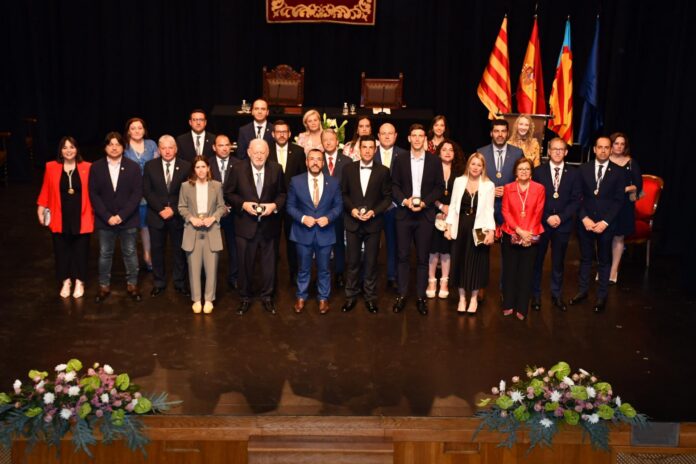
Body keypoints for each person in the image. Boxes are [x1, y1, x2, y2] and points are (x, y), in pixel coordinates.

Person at [224, 139, 286, 315]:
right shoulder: (237, 169)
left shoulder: (276, 169)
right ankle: (245, 298)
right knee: (244, 265)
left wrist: (274, 206)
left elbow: (283, 193)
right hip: (245, 226)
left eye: (262, 152)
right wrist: (243, 204)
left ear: (268, 153)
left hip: (269, 226)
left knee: (269, 265)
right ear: (249, 152)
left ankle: (267, 297)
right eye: (256, 152)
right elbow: (228, 193)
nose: (259, 156)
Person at [391, 124, 445, 315]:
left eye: (420, 135)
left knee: (423, 258)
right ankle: (402, 295)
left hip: (425, 215)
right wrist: (405, 201)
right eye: (413, 135)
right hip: (404, 215)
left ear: (425, 139)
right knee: (402, 256)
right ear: (408, 138)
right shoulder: (400, 159)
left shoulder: (434, 161)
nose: (417, 139)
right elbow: (394, 186)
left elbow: (439, 187)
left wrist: (425, 202)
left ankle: (421, 297)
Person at [569, 136, 626, 313]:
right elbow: (576, 196)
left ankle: (602, 296)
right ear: (594, 149)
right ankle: (582, 291)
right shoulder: (583, 169)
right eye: (599, 147)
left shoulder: (619, 172)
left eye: (606, 147)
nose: (603, 150)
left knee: (604, 260)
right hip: (585, 222)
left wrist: (605, 222)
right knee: (585, 258)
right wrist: (584, 218)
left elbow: (619, 201)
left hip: (605, 224)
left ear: (610, 150)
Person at [36, 136, 94, 299]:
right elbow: (46, 189)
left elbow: (95, 192)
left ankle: (80, 281)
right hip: (59, 215)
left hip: (81, 215)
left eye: (72, 147)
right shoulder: (51, 167)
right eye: (65, 147)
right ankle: (66, 281)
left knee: (81, 250)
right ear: (60, 151)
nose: (69, 150)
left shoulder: (88, 167)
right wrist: (41, 208)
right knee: (61, 250)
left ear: (77, 149)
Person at [89, 132, 143, 303]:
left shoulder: (133, 167)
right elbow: (93, 194)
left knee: (130, 252)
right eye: (110, 144)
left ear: (123, 147)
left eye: (117, 144)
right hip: (105, 220)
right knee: (105, 253)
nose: (114, 148)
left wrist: (121, 215)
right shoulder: (96, 167)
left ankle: (132, 285)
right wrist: (107, 216)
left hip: (128, 219)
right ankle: (103, 286)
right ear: (105, 147)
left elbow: (137, 194)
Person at [287, 149, 343, 314]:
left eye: (319, 159)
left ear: (323, 163)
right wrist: (303, 218)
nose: (315, 162)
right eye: (312, 159)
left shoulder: (333, 182)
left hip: (325, 232)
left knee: (324, 268)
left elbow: (338, 206)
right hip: (302, 232)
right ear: (306, 162)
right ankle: (301, 296)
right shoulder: (296, 181)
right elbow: (290, 206)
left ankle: (323, 298)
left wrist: (329, 218)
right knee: (303, 268)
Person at [340, 136, 392, 314]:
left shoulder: (383, 171)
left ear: (375, 150)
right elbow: (343, 193)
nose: (368, 150)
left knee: (371, 263)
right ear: (359, 149)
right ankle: (350, 297)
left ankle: (370, 298)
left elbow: (387, 197)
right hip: (352, 222)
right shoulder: (348, 169)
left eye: (371, 147)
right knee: (352, 262)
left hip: (373, 224)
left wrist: (374, 212)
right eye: (365, 147)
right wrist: (352, 210)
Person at [530, 138, 581, 312]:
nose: (558, 152)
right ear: (549, 151)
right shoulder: (538, 172)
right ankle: (536, 296)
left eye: (561, 149)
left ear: (566, 152)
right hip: (541, 223)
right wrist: (546, 217)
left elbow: (576, 200)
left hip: (563, 225)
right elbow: (534, 199)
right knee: (537, 261)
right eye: (554, 149)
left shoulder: (574, 173)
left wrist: (560, 217)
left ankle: (556, 295)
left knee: (558, 263)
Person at [478, 118, 524, 300]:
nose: (499, 134)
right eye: (496, 131)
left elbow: (522, 178)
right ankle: (479, 286)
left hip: (509, 210)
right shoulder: (481, 152)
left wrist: (508, 190)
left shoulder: (517, 153)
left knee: (509, 252)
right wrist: (489, 189)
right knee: (480, 248)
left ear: (507, 133)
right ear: (491, 133)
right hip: (484, 209)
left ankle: (506, 288)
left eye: (503, 131)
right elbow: (475, 178)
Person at [445, 152, 496, 314]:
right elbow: (453, 205)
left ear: (483, 168)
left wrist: (491, 231)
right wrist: (448, 226)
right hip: (461, 226)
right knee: (459, 261)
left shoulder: (489, 185)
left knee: (477, 262)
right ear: (468, 165)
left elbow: (489, 210)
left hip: (480, 228)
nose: (475, 167)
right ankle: (462, 298)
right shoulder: (459, 181)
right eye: (473, 164)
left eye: (479, 165)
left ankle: (473, 299)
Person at [143, 135, 191, 297]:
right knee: (157, 251)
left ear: (176, 149)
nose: (167, 151)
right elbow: (147, 191)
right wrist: (160, 209)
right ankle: (159, 282)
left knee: (179, 251)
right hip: (156, 215)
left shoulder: (186, 166)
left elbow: (188, 192)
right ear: (159, 150)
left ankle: (180, 282)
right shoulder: (150, 166)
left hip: (178, 216)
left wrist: (173, 209)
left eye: (170, 147)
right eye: (163, 148)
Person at [178, 156, 227, 314]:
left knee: (211, 268)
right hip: (192, 231)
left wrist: (213, 218)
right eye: (197, 167)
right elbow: (181, 207)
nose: (201, 170)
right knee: (194, 268)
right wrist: (191, 219)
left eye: (203, 167)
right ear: (194, 169)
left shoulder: (216, 186)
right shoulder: (185, 186)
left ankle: (209, 299)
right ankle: (197, 300)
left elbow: (221, 207)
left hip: (211, 230)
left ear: (208, 168)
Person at [500, 157, 545, 320]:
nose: (524, 171)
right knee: (510, 271)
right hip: (511, 233)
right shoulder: (508, 188)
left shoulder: (539, 188)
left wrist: (528, 235)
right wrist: (519, 230)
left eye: (527, 169)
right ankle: (508, 304)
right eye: (521, 169)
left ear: (531, 172)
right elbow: (505, 212)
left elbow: (538, 212)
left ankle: (522, 307)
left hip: (531, 235)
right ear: (515, 172)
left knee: (526, 273)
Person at [268, 120, 307, 284]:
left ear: (290, 134)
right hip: (272, 204)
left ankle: (295, 275)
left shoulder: (298, 151)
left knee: (293, 241)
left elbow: (303, 178)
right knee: (272, 242)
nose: (282, 135)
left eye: (285, 132)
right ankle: (271, 277)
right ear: (273, 134)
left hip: (293, 204)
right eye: (278, 132)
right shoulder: (266, 150)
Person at [427, 140, 465, 299]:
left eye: (451, 150)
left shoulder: (460, 172)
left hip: (452, 216)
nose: (448, 152)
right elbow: (427, 191)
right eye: (444, 149)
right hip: (433, 213)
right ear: (439, 152)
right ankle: (431, 281)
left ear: (455, 154)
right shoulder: (431, 169)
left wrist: (450, 211)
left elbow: (462, 195)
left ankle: (444, 282)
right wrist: (441, 207)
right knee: (433, 250)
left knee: (446, 250)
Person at [123, 117, 159, 271]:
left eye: (140, 128)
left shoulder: (152, 145)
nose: (137, 131)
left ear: (144, 130)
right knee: (130, 228)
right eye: (133, 128)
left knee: (145, 226)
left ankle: (147, 255)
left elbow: (157, 167)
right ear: (128, 132)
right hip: (129, 193)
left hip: (149, 192)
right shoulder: (123, 147)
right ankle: (132, 261)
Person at [376, 123, 408, 289]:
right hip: (373, 208)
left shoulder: (404, 155)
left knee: (393, 243)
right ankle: (368, 277)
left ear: (395, 136)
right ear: (378, 136)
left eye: (390, 133)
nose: (387, 136)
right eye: (383, 133)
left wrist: (397, 201)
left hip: (395, 207)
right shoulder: (370, 152)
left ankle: (392, 275)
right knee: (371, 245)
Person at [608, 132, 642, 284]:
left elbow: (638, 185)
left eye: (622, 144)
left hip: (624, 205)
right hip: (605, 204)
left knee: (618, 237)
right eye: (616, 143)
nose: (619, 146)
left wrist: (624, 189)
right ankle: (604, 268)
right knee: (604, 238)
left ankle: (613, 271)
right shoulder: (604, 161)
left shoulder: (631, 163)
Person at [209, 134, 241, 289]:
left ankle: (234, 277)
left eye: (227, 145)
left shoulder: (239, 164)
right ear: (214, 147)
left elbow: (242, 189)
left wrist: (229, 206)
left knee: (234, 247)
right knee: (210, 248)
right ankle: (210, 278)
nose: (224, 148)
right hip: (211, 213)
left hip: (233, 212)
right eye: (220, 145)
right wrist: (219, 207)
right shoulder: (206, 164)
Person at [321, 129, 352, 288]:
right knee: (323, 244)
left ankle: (339, 273)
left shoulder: (347, 161)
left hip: (341, 210)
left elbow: (350, 186)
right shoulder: (317, 159)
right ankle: (323, 273)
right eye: (325, 140)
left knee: (339, 243)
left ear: (337, 142)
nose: (328, 142)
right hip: (321, 211)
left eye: (331, 139)